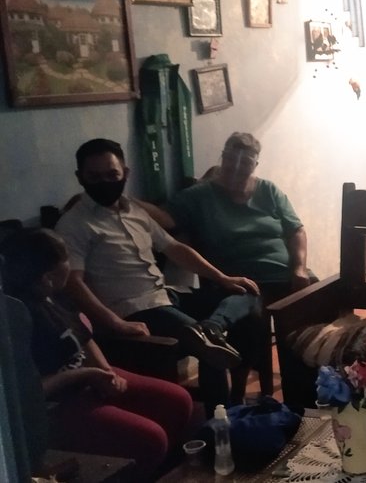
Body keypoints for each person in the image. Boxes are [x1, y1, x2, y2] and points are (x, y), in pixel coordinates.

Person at [55, 138, 262, 409]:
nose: (104, 182)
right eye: (94, 177)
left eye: (111, 175)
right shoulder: (74, 224)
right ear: (80, 177)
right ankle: (220, 422)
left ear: (125, 174)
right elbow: (73, 283)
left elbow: (173, 248)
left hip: (164, 295)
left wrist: (222, 278)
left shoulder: (134, 210)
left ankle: (214, 332)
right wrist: (116, 323)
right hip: (132, 310)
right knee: (209, 349)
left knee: (247, 295)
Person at [0, 228, 194, 480]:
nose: (71, 267)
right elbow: (29, 393)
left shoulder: (52, 297)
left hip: (90, 377)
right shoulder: (15, 318)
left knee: (177, 401)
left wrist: (106, 372)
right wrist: (87, 375)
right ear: (47, 277)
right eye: (66, 262)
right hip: (58, 403)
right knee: (151, 439)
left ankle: (162, 472)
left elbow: (84, 337)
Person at [165, 132, 311, 304]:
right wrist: (134, 203)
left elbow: (297, 230)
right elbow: (164, 217)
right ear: (222, 158)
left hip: (285, 276)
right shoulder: (198, 196)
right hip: (239, 283)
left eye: (246, 162)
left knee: (325, 296)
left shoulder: (268, 190)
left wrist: (300, 268)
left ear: (255, 165)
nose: (236, 167)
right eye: (231, 159)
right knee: (245, 309)